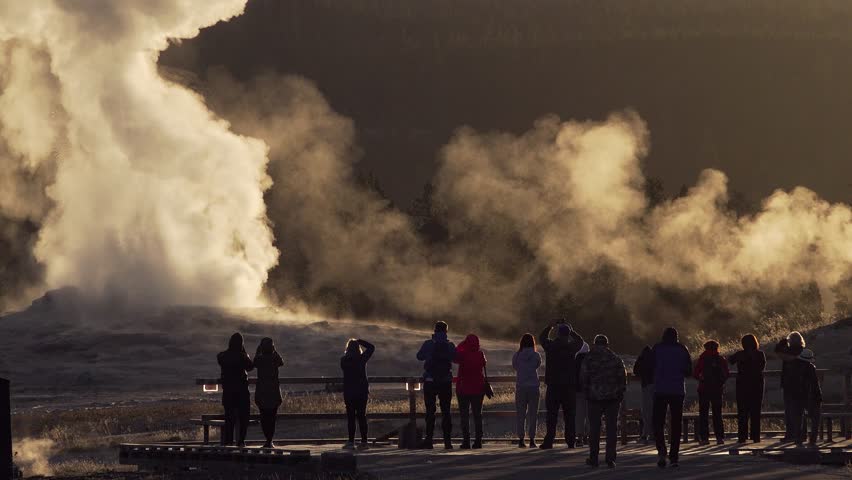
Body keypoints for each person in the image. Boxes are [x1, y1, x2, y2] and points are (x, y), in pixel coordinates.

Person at [580, 334, 627, 469]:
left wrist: (587, 393)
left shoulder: (588, 359)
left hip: (594, 398)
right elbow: (622, 379)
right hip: (612, 399)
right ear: (607, 344)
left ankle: (594, 458)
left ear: (595, 344)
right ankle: (610, 459)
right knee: (611, 429)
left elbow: (583, 378)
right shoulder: (615, 358)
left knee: (594, 429)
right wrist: (619, 394)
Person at [538, 320, 585, 449]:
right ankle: (570, 441)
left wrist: (550, 326)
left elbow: (542, 338)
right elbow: (580, 341)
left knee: (551, 415)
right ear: (567, 334)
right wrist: (571, 330)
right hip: (569, 386)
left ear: (557, 334)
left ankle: (549, 441)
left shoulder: (551, 346)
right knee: (570, 415)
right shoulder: (571, 347)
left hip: (553, 385)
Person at [652, 327, 692, 469]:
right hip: (677, 390)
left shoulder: (657, 348)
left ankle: (662, 452)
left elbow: (650, 366)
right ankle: (674, 457)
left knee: (658, 423)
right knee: (676, 424)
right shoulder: (682, 349)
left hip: (660, 390)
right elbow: (688, 370)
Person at [416, 321, 457, 449]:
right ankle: (447, 442)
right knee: (446, 411)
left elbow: (419, 356)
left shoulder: (429, 343)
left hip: (430, 381)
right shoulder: (449, 345)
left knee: (430, 412)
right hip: (445, 381)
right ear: (446, 331)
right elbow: (456, 358)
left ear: (434, 331)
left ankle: (429, 440)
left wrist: (429, 355)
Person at [217, 332, 254, 446]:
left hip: (228, 391)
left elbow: (220, 358)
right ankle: (241, 441)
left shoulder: (222, 356)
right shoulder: (242, 356)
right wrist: (245, 353)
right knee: (244, 417)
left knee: (229, 417)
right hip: (242, 391)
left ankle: (228, 441)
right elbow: (250, 367)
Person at [728, 334, 766, 443]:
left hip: (742, 384)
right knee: (756, 411)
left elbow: (730, 360)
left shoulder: (740, 354)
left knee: (742, 412)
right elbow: (762, 367)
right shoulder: (760, 354)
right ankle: (755, 436)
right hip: (757, 384)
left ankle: (742, 436)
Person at [340, 338, 375, 449]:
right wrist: (360, 341)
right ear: (358, 348)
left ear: (347, 349)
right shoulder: (362, 359)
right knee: (362, 416)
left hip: (349, 391)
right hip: (361, 391)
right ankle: (364, 442)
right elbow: (372, 348)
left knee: (351, 417)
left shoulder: (343, 360)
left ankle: (351, 442)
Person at [454, 334, 487, 449]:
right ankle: (478, 441)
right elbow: (483, 364)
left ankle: (466, 441)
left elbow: (454, 355)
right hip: (478, 388)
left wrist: (462, 344)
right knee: (477, 415)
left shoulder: (462, 354)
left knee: (464, 416)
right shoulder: (480, 354)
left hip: (463, 388)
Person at [694, 340, 729, 445]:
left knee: (703, 414)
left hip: (704, 389)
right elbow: (726, 373)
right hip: (717, 389)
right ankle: (720, 438)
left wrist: (701, 378)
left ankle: (704, 438)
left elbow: (695, 373)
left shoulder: (703, 359)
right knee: (717, 414)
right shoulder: (721, 359)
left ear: (705, 348)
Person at [254, 337, 284, 449]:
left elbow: (254, 363)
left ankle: (267, 440)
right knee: (272, 418)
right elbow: (281, 362)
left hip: (262, 392)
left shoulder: (260, 359)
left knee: (264, 417)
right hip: (274, 392)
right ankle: (270, 440)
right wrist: (275, 350)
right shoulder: (274, 358)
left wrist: (258, 351)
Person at [512, 333, 542, 448]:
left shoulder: (517, 355)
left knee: (521, 414)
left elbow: (515, 366)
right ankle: (532, 439)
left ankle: (521, 439)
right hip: (533, 387)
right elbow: (537, 366)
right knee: (533, 414)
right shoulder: (536, 355)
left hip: (521, 387)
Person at [775, 331, 805, 442]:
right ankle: (800, 434)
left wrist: (783, 341)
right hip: (801, 385)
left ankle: (791, 434)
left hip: (790, 385)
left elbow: (777, 351)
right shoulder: (803, 352)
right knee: (799, 412)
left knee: (790, 412)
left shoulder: (788, 352)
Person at [788, 349, 822, 447]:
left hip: (797, 396)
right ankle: (813, 439)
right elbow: (815, 384)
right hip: (810, 396)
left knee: (798, 418)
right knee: (815, 417)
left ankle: (799, 437)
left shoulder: (793, 367)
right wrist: (818, 396)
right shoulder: (811, 368)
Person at [633, 345, 655, 444]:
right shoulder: (655, 358)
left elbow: (636, 371)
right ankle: (653, 434)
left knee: (646, 411)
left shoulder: (642, 358)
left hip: (646, 385)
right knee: (655, 411)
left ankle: (646, 435)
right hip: (656, 387)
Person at [574, 342, 590, 447]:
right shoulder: (590, 360)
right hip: (590, 391)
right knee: (589, 414)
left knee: (579, 414)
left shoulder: (575, 361)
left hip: (578, 390)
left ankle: (579, 436)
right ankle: (588, 436)